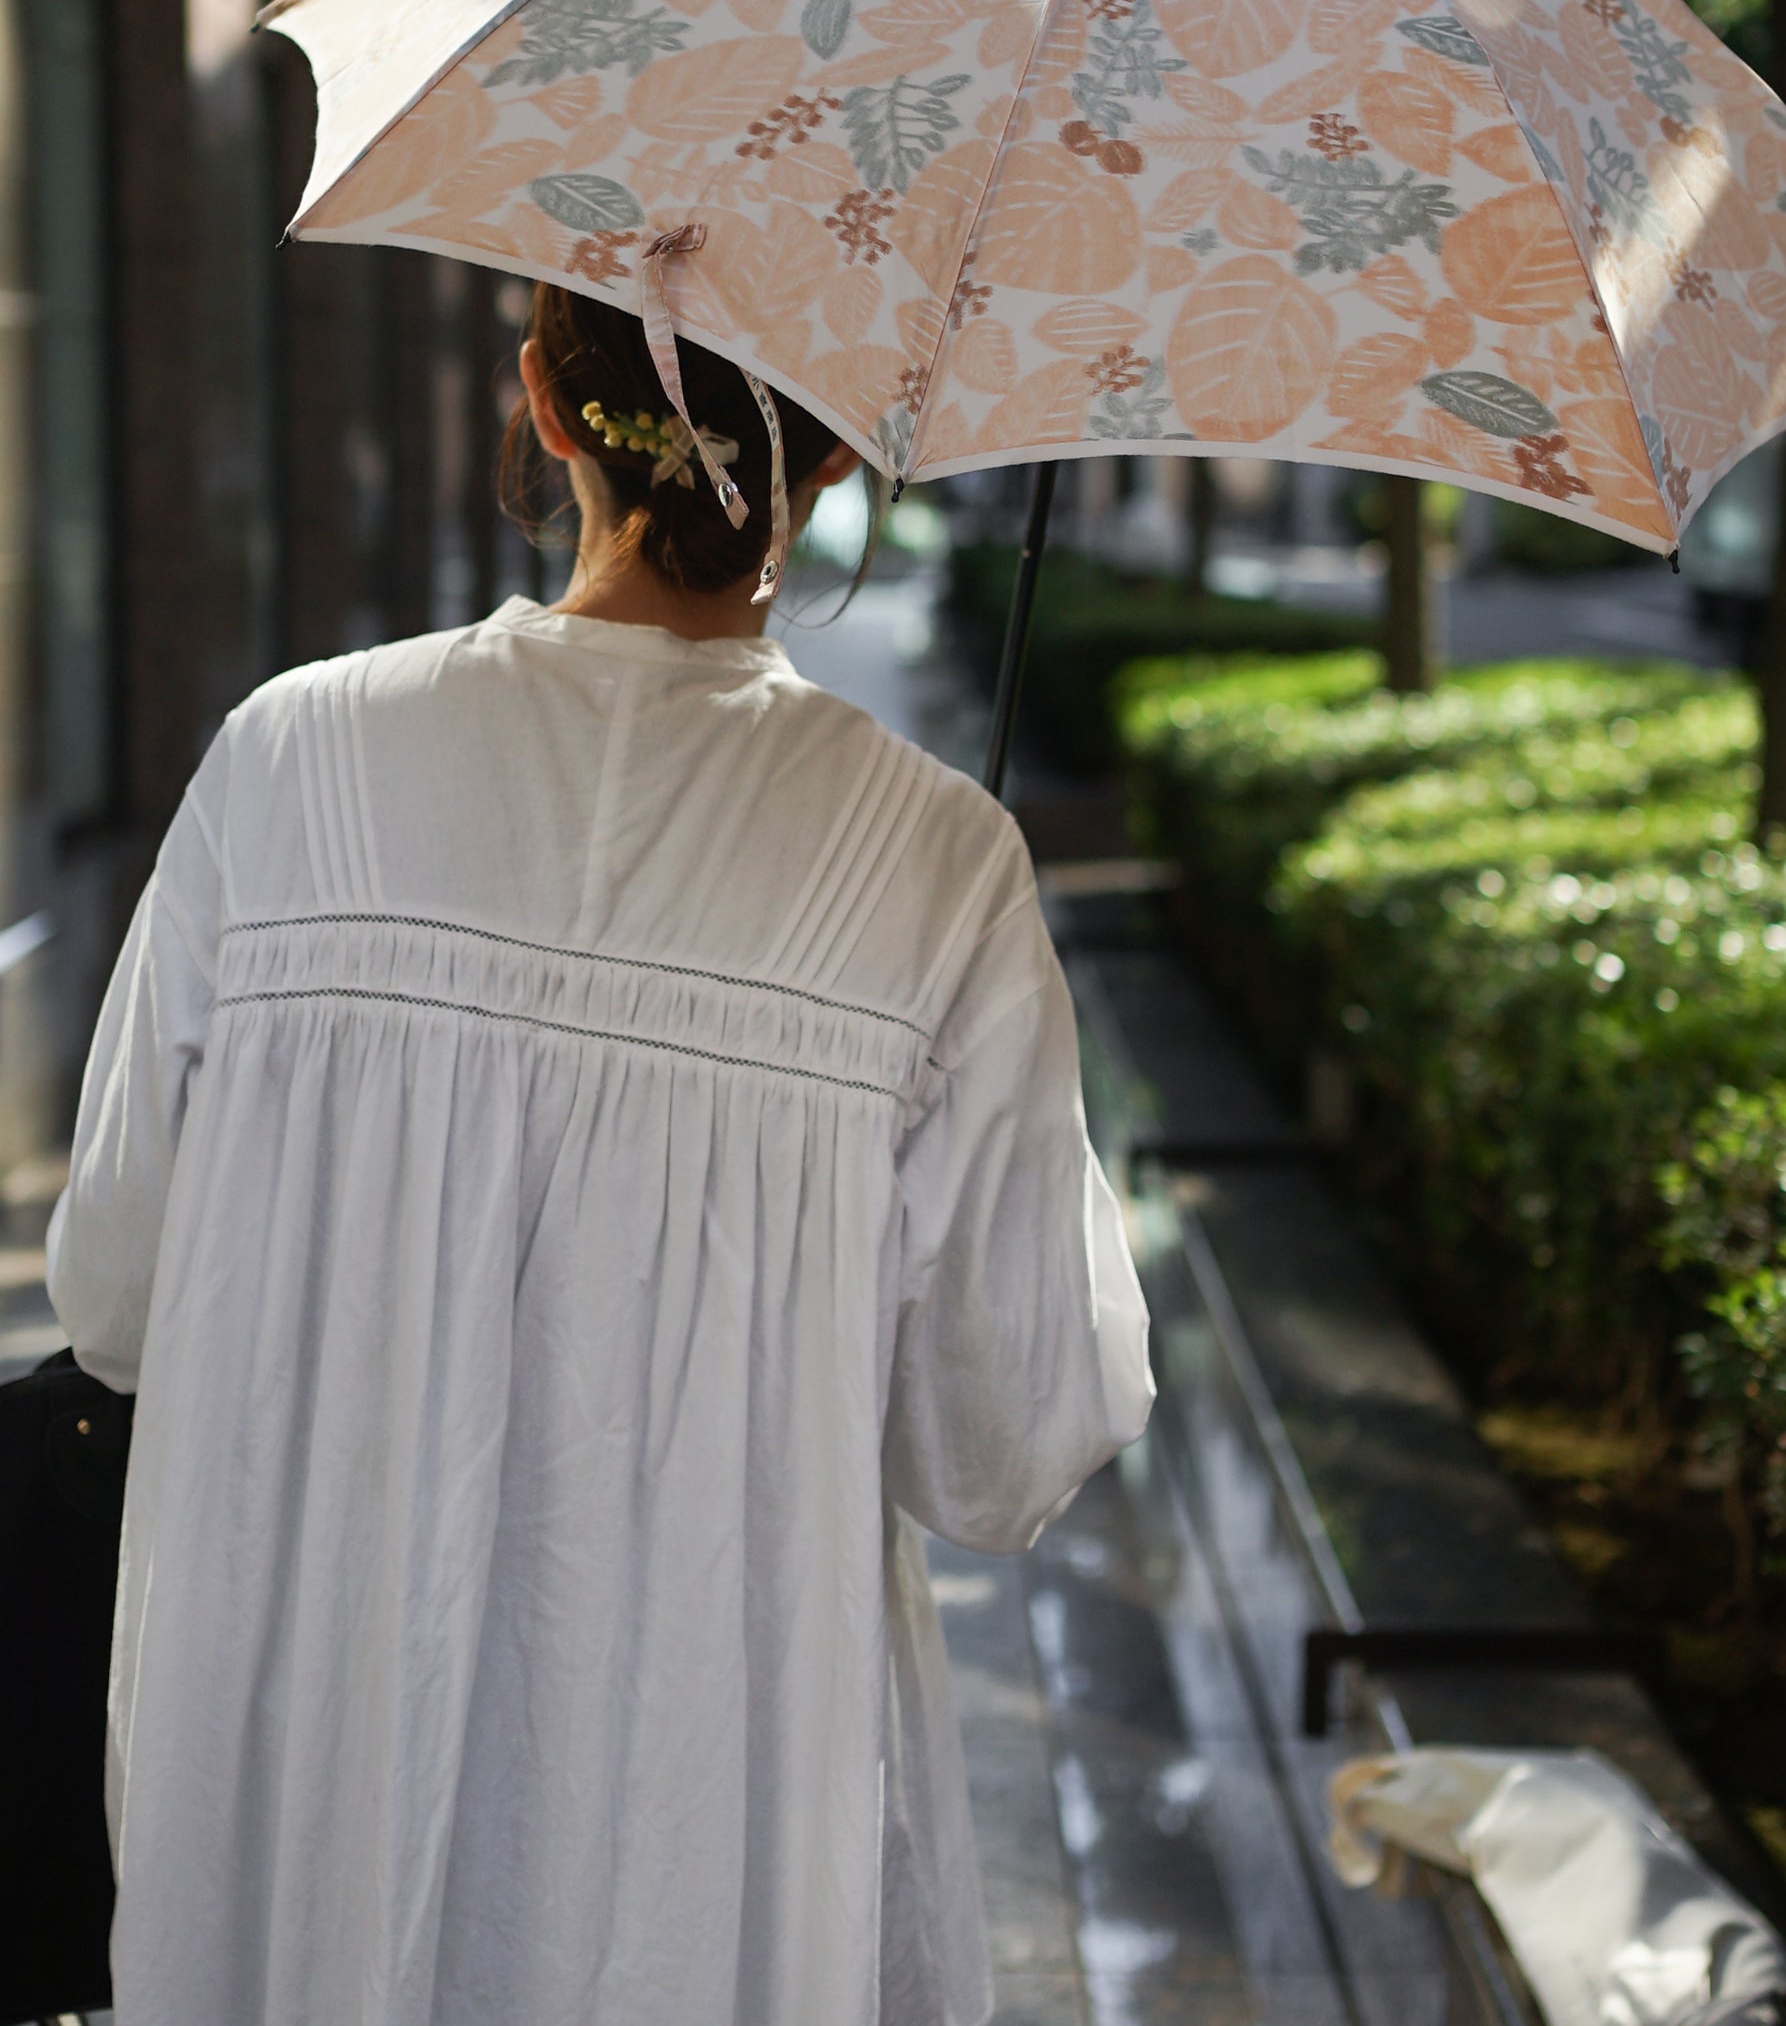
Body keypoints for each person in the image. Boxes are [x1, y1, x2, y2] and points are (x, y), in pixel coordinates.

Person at [46, 283, 1153, 2026]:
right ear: (847, 453)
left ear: (542, 410)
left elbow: (116, 1292)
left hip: (298, 1784)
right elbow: (1004, 1451)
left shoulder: (287, 760)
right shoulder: (940, 863)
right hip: (701, 1842)